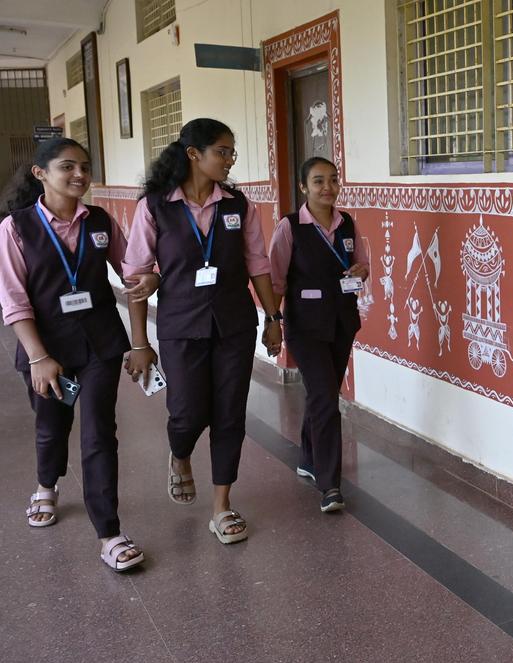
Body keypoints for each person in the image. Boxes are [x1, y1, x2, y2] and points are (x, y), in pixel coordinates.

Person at [123, 118, 282, 544]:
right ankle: (179, 455)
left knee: (230, 412)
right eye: (222, 152)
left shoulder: (238, 205)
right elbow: (137, 277)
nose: (230, 160)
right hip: (181, 325)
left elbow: (258, 264)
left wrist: (272, 317)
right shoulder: (155, 206)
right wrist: (139, 342)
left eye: (232, 152)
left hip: (234, 323)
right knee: (188, 411)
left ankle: (222, 506)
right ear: (194, 154)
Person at [0, 138, 156, 571]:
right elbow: (13, 300)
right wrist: (37, 356)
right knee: (52, 426)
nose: (79, 175)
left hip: (100, 345)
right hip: (46, 348)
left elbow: (133, 270)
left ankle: (109, 533)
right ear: (40, 174)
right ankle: (46, 486)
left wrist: (149, 280)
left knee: (99, 434)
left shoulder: (100, 221)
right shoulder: (16, 228)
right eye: (67, 167)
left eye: (85, 167)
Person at [268, 157, 367, 512]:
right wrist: (272, 320)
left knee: (322, 394)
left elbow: (363, 264)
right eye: (318, 181)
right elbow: (275, 278)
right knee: (326, 399)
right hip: (305, 326)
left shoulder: (347, 223)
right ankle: (330, 484)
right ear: (303, 187)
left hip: (341, 321)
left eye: (333, 180)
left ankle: (309, 458)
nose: (328, 188)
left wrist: (361, 270)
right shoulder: (290, 227)